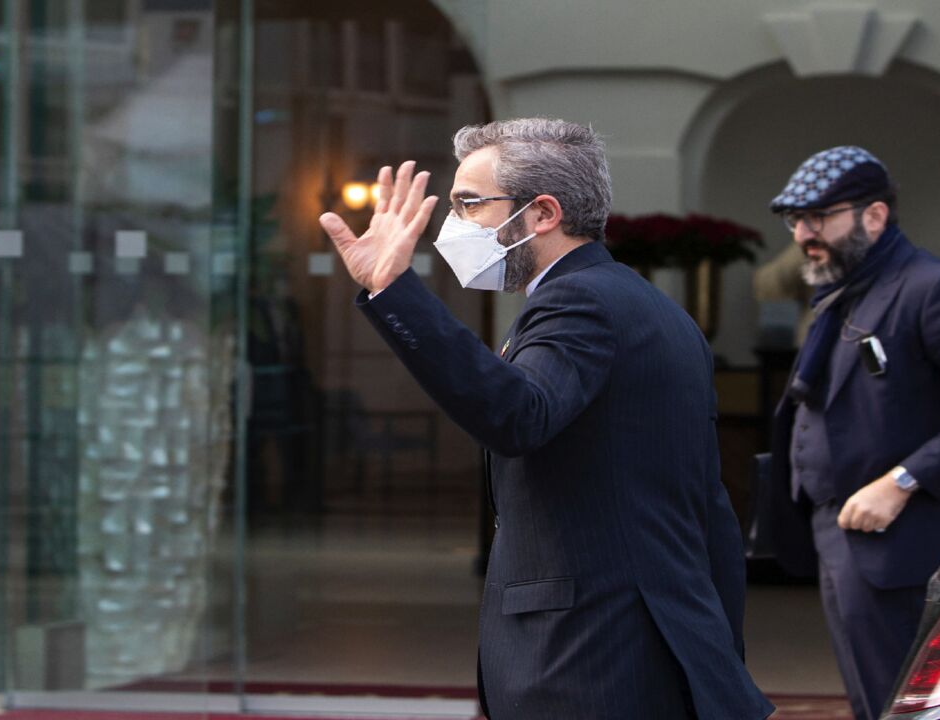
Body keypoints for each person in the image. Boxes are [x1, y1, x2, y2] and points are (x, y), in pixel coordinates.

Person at [319, 118, 772, 720]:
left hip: (587, 658)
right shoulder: (649, 306)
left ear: (542, 213)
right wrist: (719, 663)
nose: (452, 226)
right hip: (649, 647)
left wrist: (394, 289)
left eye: (470, 204)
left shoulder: (578, 300)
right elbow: (706, 504)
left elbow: (517, 415)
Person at [759, 146, 940, 720]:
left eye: (819, 217)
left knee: (912, 703)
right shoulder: (843, 289)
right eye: (796, 219)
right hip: (838, 532)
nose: (804, 232)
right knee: (874, 700)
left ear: (873, 216)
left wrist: (901, 482)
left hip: (907, 538)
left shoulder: (936, 287)